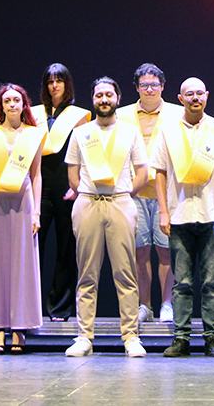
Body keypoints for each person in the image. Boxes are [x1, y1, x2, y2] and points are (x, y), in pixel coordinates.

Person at [64, 77, 149, 358]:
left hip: (120, 203)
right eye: (99, 95)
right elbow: (73, 174)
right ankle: (84, 337)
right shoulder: (81, 133)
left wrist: (122, 194)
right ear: (93, 99)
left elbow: (142, 173)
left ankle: (131, 337)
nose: (104, 100)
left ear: (118, 98)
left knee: (125, 273)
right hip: (88, 203)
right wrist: (89, 193)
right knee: (86, 274)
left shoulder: (130, 132)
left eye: (109, 95)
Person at [152, 77, 214, 358]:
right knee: (182, 283)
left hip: (212, 215)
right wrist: (163, 211)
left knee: (212, 282)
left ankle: (212, 337)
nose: (195, 98)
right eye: (190, 94)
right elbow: (160, 172)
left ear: (207, 96)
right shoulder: (168, 130)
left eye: (200, 93)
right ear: (180, 98)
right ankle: (181, 338)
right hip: (179, 215)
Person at [0, 84, 46, 353]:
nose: (12, 104)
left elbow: (37, 175)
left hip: (23, 201)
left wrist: (37, 212)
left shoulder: (33, 134)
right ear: (0, 106)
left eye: (16, 100)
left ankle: (19, 327)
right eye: (7, 100)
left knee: (21, 263)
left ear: (24, 104)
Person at [116, 63, 181, 323]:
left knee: (166, 252)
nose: (149, 89)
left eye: (154, 84)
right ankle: (145, 305)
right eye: (144, 85)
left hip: (167, 192)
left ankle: (167, 304)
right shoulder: (122, 115)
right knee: (140, 252)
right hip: (134, 192)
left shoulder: (177, 113)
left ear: (163, 86)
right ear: (136, 88)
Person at [31, 63, 90, 321]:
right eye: (50, 81)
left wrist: (77, 186)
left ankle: (60, 307)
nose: (54, 86)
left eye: (59, 81)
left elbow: (84, 155)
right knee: (34, 248)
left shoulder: (78, 115)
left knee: (66, 249)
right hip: (38, 189)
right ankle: (30, 306)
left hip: (67, 188)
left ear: (67, 85)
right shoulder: (34, 114)